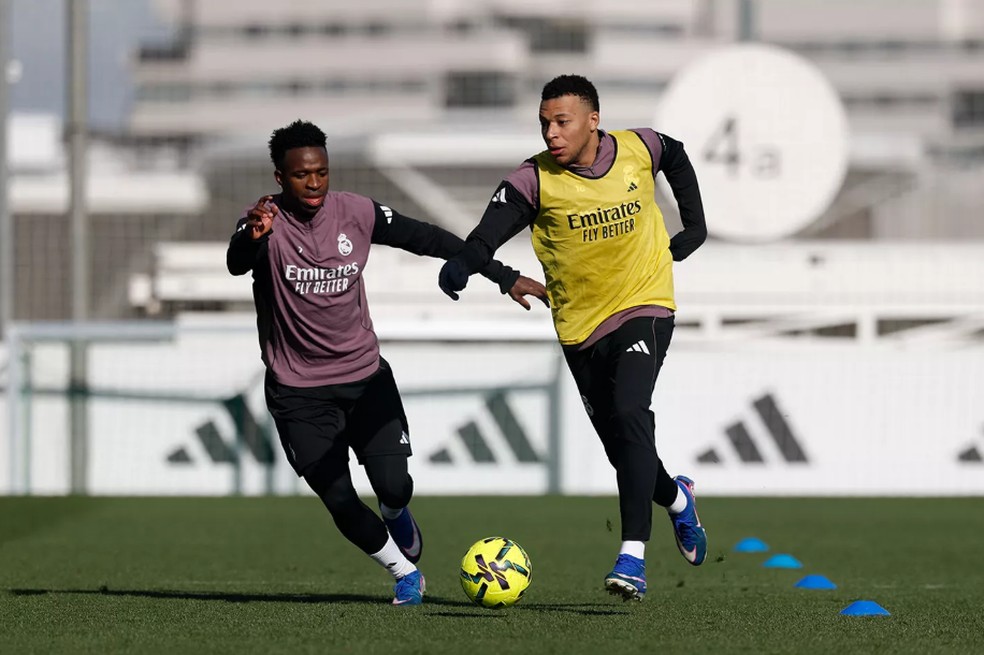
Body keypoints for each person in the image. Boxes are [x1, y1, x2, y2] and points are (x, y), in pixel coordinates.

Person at [227, 119, 547, 606]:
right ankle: (404, 574)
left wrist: (502, 275)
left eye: (322, 172)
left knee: (393, 485)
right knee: (337, 497)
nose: (314, 183)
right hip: (298, 392)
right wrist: (252, 236)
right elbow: (236, 260)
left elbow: (431, 239)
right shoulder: (262, 222)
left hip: (364, 378)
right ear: (279, 178)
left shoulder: (355, 212)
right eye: (301, 175)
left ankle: (396, 511)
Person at [438, 75, 708, 601]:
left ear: (592, 120)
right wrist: (463, 266)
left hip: (644, 303)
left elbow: (675, 155)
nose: (551, 133)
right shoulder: (532, 181)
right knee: (622, 448)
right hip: (579, 327)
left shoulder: (639, 147)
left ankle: (632, 557)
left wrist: (694, 226)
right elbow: (485, 236)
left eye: (561, 122)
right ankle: (677, 500)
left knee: (631, 414)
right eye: (544, 123)